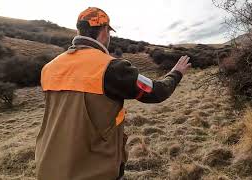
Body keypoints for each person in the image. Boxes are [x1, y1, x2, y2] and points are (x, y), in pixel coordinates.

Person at [35, 7, 191, 180]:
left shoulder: (49, 68)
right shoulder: (111, 68)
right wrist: (176, 73)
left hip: (48, 166)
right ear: (104, 31)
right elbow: (155, 91)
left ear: (80, 30)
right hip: (93, 171)